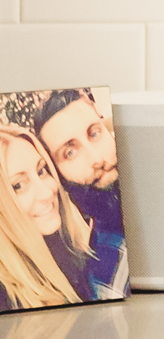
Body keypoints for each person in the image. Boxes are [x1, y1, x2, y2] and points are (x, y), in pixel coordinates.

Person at [29, 89, 126, 293]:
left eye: (94, 133)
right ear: (59, 177)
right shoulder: (107, 276)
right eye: (70, 153)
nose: (96, 159)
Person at [0, 119, 100, 309]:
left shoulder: (71, 248)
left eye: (41, 171)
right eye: (18, 186)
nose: (47, 192)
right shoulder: (7, 299)